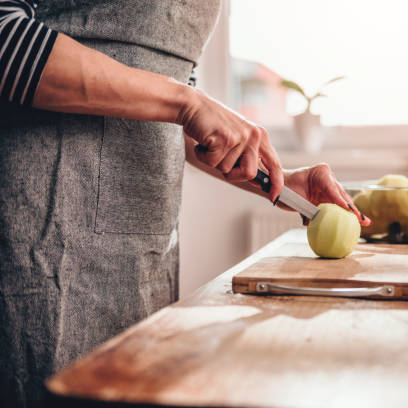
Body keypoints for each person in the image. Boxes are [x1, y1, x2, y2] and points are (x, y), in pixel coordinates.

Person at [0, 1, 370, 406]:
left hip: (145, 238)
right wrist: (187, 102)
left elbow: (179, 103)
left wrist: (280, 181)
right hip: (41, 230)